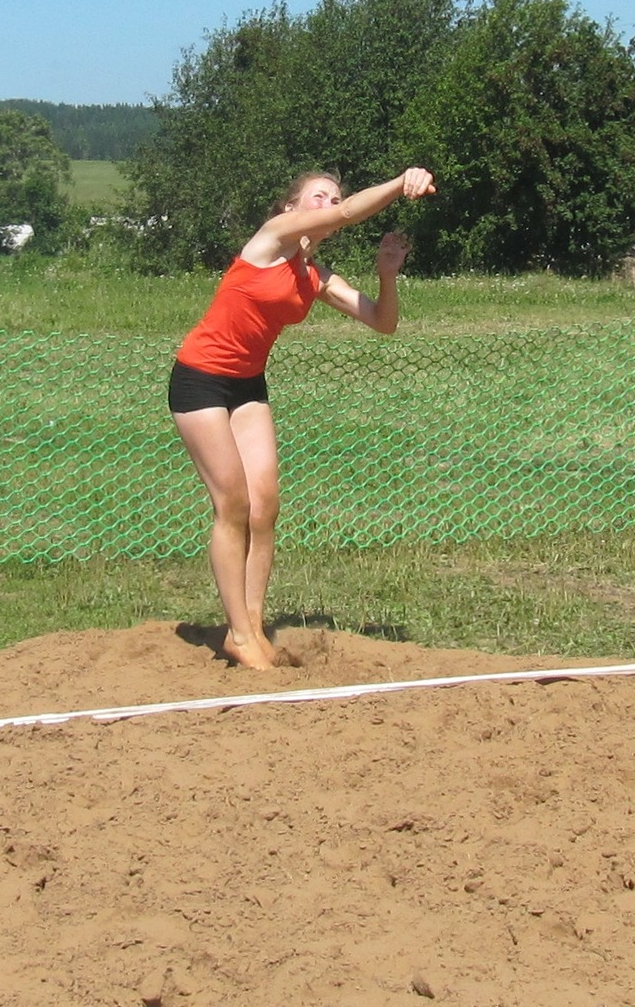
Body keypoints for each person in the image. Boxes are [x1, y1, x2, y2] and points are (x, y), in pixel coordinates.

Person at [168, 166, 436, 671]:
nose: (329, 204)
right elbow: (350, 212)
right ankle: (240, 636)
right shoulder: (270, 240)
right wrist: (402, 182)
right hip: (200, 379)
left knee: (264, 506)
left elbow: (383, 323)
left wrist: (386, 273)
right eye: (318, 196)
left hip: (247, 385)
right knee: (233, 503)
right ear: (290, 208)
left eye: (333, 197)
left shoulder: (314, 275)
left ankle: (250, 624)